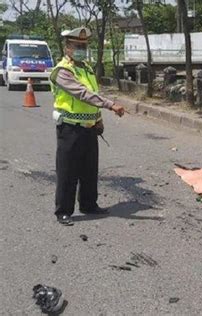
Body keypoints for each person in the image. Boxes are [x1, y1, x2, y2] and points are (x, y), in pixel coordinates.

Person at [50, 27, 125, 226]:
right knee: (68, 172)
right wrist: (110, 105)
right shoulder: (63, 71)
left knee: (90, 170)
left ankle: (89, 204)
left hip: (89, 127)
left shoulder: (87, 68)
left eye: (84, 46)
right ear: (68, 47)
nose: (82, 49)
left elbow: (93, 94)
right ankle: (63, 211)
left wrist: (99, 119)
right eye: (78, 46)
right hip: (70, 128)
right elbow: (83, 94)